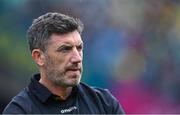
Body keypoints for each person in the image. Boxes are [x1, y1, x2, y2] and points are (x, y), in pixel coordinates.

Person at [3, 12, 124, 114]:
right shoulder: (19, 111)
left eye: (79, 48)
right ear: (39, 57)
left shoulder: (104, 102)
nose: (77, 58)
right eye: (65, 49)